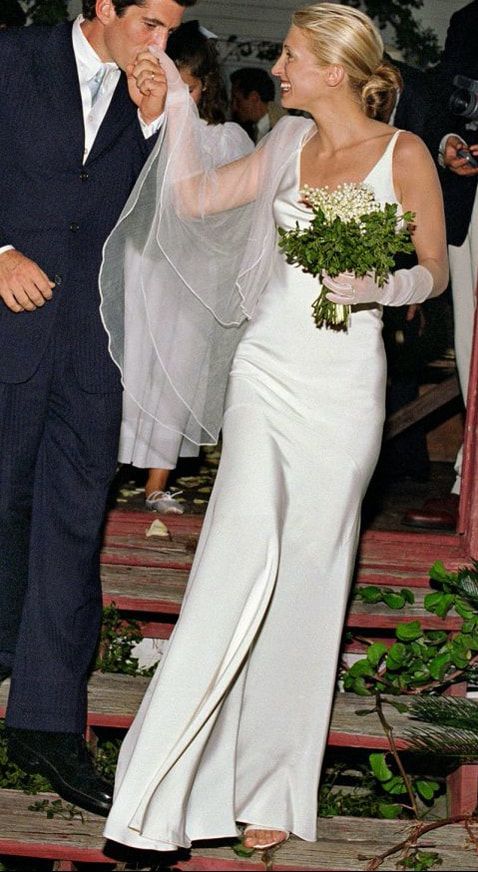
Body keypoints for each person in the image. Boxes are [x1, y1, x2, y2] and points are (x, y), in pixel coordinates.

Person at [100, 2, 448, 852]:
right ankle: (160, 792)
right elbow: (190, 199)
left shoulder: (403, 156)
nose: (278, 70)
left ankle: (269, 794)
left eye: (291, 58)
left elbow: (435, 271)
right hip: (266, 369)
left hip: (345, 386)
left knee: (311, 575)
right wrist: (179, 109)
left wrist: (383, 288)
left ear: (335, 68)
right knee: (234, 555)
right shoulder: (284, 145)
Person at [0, 0, 196, 817]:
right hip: (10, 319)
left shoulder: (155, 93)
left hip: (96, 342)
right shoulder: (11, 58)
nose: (161, 44)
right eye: (150, 22)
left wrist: (153, 128)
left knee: (75, 522)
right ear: (104, 7)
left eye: (173, 29)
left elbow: (158, 227)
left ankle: (47, 723)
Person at [123, 19, 253, 514]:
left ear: (204, 87)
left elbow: (229, 210)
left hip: (193, 274)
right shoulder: (141, 124)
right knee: (132, 361)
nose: (178, 95)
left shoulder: (225, 138)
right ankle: (110, 466)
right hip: (143, 264)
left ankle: (157, 480)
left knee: (178, 368)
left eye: (188, 87)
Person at [402, 0, 478, 531]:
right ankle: (467, 483)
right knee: (473, 352)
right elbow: (444, 107)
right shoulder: (471, 21)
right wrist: (450, 144)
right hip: (471, 209)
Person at [230, 66, 286, 142]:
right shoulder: (248, 130)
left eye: (238, 100)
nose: (234, 107)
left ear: (254, 98)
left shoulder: (283, 133)